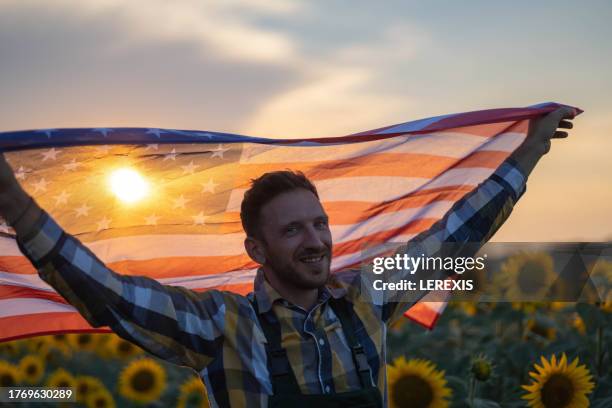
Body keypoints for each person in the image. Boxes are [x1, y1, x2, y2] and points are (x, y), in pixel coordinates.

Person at [0, 107, 575, 407]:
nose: (316, 240)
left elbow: (459, 234)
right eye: (294, 230)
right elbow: (108, 295)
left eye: (320, 223)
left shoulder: (367, 298)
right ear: (257, 249)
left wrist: (529, 152)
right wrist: (16, 206)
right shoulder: (221, 325)